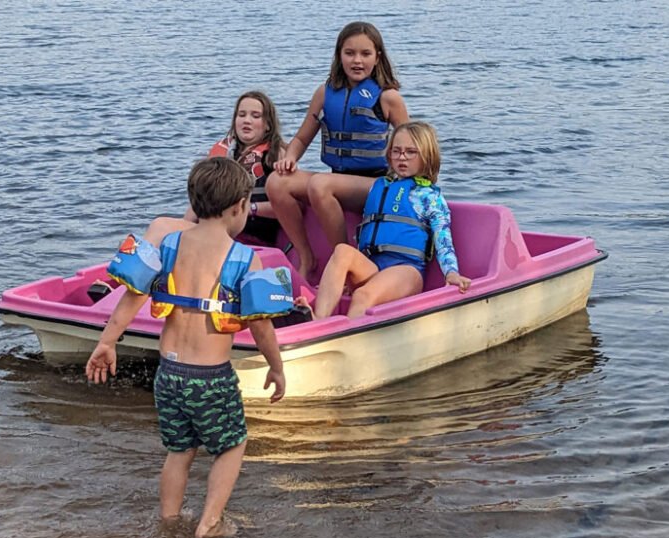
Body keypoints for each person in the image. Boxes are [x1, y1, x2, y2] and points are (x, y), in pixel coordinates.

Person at [86, 157, 287, 538]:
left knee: (180, 451)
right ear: (239, 207)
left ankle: (169, 520)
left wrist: (107, 342)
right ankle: (210, 521)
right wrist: (276, 367)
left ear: (194, 203)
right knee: (232, 445)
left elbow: (132, 295)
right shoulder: (245, 257)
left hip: (169, 374)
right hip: (211, 377)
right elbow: (261, 323)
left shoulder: (168, 244)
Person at [266, 21, 410, 279]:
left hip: (375, 184)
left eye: (365, 54)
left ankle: (344, 262)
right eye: (349, 53)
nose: (357, 61)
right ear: (339, 55)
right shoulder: (324, 93)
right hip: (336, 179)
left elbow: (414, 147)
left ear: (377, 57)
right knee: (277, 182)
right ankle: (306, 256)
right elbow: (300, 139)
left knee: (321, 184)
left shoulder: (388, 98)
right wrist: (289, 158)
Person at [297, 121, 472, 319]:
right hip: (374, 267)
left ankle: (349, 338)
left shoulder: (429, 197)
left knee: (362, 295)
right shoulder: (379, 187)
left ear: (427, 156)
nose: (402, 157)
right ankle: (319, 320)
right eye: (396, 151)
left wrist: (451, 273)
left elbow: (443, 238)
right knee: (342, 251)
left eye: (410, 152)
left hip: (405, 270)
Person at [186, 90, 286, 246]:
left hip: (254, 235)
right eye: (241, 115)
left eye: (255, 116)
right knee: (166, 226)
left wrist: (250, 208)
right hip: (216, 231)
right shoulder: (224, 154)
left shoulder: (276, 155)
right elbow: (200, 201)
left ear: (268, 125)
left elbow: (289, 207)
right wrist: (185, 228)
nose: (247, 120)